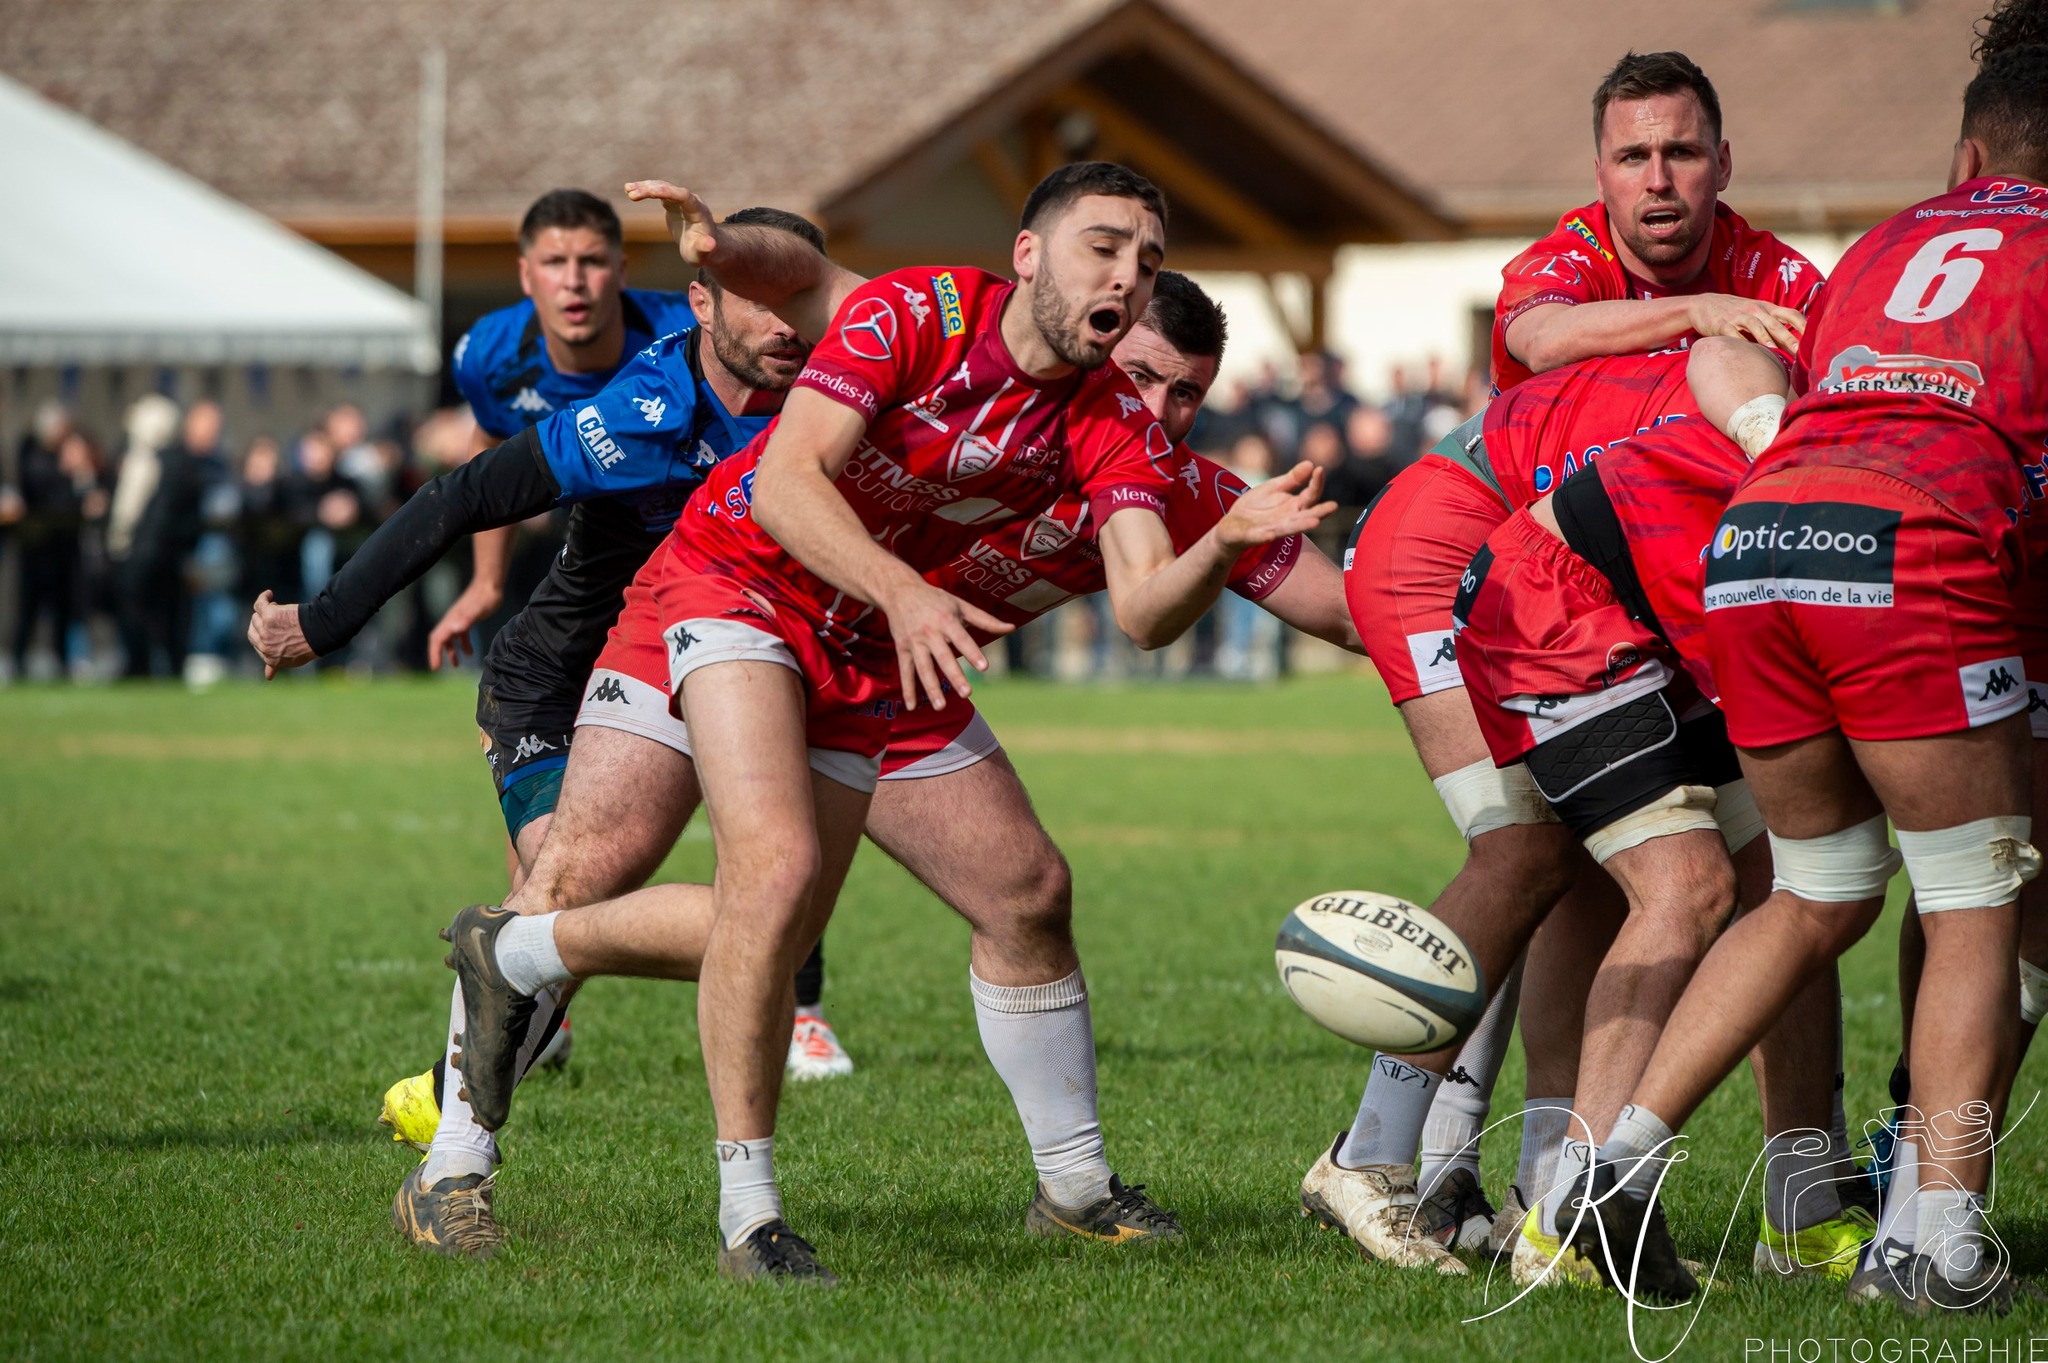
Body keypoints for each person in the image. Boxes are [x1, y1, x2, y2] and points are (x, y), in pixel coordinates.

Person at [431, 164, 1336, 1284]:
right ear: (1028, 254)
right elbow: (798, 364)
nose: (1126, 283)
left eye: (1145, 262)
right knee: (642, 869)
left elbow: (1173, 608)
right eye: (1105, 251)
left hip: (879, 648)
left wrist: (1444, 597)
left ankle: (1070, 1184)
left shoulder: (1127, 441)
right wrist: (718, 253)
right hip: (741, 583)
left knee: (1018, 888)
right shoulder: (926, 310)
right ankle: (468, 1171)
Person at [1577, 44, 2048, 1311]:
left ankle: (1609, 1166)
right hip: (1916, 538)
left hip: (1762, 530)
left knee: (1816, 884)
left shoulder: (1889, 244)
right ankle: (1927, 1246)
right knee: (1975, 890)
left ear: (1965, 158)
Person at [1490, 51, 1819, 394]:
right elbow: (1544, 341)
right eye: (1634, 157)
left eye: (1680, 153)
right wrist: (1697, 309)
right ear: (1601, 178)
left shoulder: (1775, 276)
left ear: (1721, 166)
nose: (1658, 181)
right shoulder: (1563, 259)